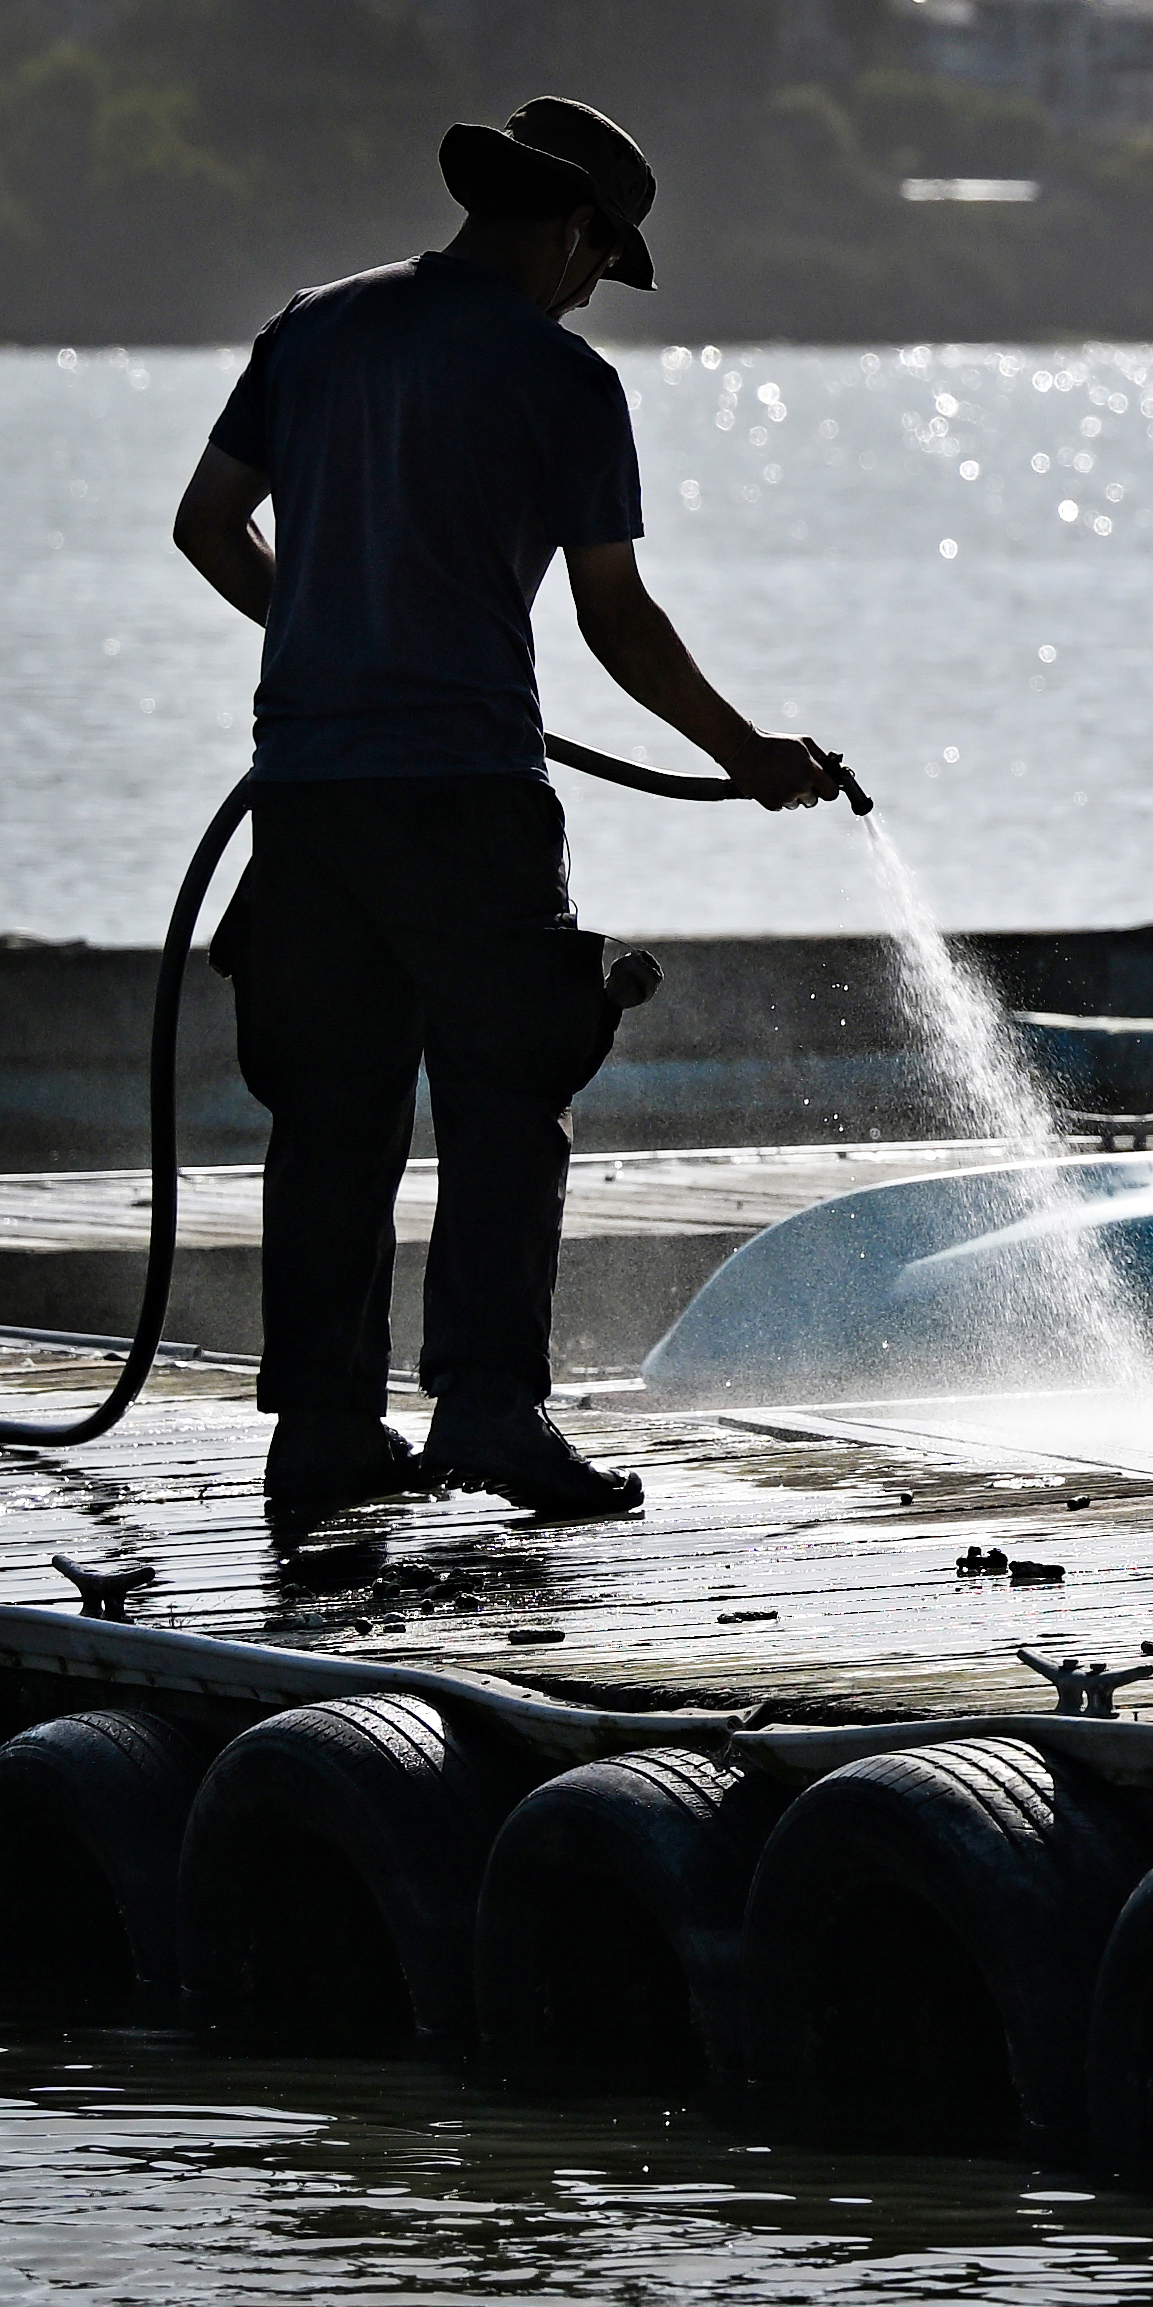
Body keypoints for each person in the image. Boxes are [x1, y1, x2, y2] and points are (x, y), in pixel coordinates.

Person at [169, 97, 837, 1526]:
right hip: (468, 802)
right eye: (605, 258)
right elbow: (617, 622)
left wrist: (328, 631)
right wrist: (749, 754)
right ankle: (486, 1410)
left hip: (306, 799)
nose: (598, 289)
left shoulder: (312, 326)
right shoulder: (562, 382)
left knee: (333, 1118)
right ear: (571, 225)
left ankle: (326, 1436)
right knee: (506, 1101)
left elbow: (204, 524)